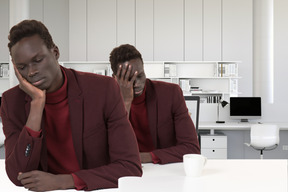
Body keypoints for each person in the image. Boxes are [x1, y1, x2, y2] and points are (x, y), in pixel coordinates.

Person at [0, 20, 142, 191]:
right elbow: (18, 174)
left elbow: (130, 167)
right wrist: (36, 105)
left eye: (37, 60)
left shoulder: (102, 89)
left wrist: (63, 181)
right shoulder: (11, 102)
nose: (31, 72)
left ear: (55, 52)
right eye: (22, 67)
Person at [109, 44, 200, 164]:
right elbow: (112, 151)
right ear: (115, 78)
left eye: (140, 76)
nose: (137, 84)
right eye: (129, 79)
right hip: (128, 171)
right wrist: (125, 101)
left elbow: (192, 149)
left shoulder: (170, 93)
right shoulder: (107, 102)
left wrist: (143, 157)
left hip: (165, 169)